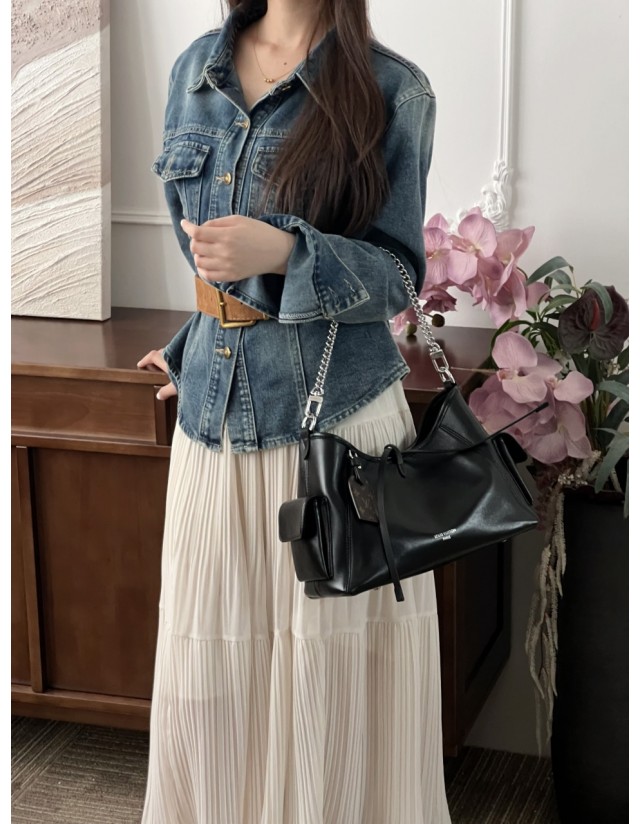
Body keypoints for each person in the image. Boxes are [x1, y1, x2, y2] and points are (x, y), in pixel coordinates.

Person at [137, 1, 452, 821]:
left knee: (331, 683)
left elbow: (399, 276)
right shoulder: (196, 69)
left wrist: (286, 251)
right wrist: (193, 348)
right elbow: (206, 255)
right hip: (214, 423)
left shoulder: (393, 88)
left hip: (335, 428)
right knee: (210, 675)